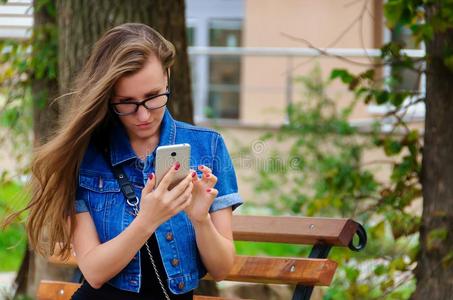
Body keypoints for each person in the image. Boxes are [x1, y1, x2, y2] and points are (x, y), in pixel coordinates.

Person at [19, 23, 243, 299]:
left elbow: (221, 269)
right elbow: (94, 271)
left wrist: (201, 220)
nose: (143, 116)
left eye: (152, 97)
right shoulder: (84, 155)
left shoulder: (207, 146)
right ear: (108, 97)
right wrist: (147, 220)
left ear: (167, 77)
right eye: (126, 102)